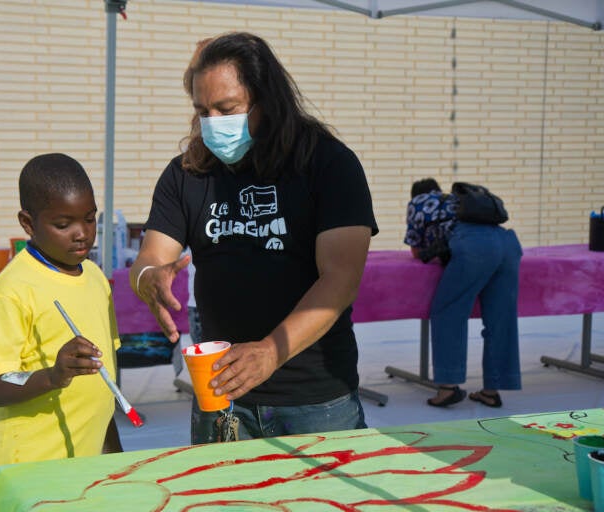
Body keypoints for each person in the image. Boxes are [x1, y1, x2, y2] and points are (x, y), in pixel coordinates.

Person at [130, 32, 378, 444]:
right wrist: (148, 279)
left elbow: (340, 279)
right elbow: (151, 257)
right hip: (220, 397)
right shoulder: (186, 173)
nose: (212, 123)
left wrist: (271, 350)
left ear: (268, 100)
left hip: (315, 403)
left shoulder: (329, 164)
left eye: (226, 109)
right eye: (202, 111)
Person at [0, 152, 122, 469]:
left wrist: (114, 459)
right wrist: (53, 376)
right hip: (30, 466)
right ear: (28, 223)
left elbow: (103, 383)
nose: (81, 233)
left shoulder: (96, 278)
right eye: (63, 224)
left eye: (89, 218)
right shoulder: (11, 292)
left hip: (86, 465)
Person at [403, 178, 523, 408]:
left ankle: (448, 387)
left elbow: (417, 252)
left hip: (474, 248)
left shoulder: (418, 202)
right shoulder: (458, 201)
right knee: (500, 320)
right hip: (508, 243)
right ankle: (491, 390)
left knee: (449, 313)